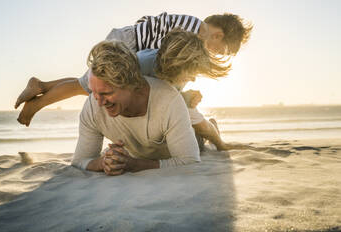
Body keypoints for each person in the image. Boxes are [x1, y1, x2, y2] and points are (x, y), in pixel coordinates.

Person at [15, 12, 252, 126]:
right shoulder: (196, 32)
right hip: (128, 46)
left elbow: (151, 19)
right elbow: (167, 57)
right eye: (218, 50)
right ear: (217, 34)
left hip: (128, 39)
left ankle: (41, 86)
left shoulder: (190, 22)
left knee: (86, 82)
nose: (213, 53)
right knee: (89, 86)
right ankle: (36, 104)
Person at [72, 40, 200, 176]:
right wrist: (102, 163)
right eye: (94, 92)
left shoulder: (169, 100)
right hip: (138, 154)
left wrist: (134, 165)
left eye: (107, 93)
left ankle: (210, 127)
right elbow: (79, 161)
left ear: (131, 84)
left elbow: (189, 162)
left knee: (205, 130)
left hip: (192, 139)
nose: (99, 103)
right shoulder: (93, 105)